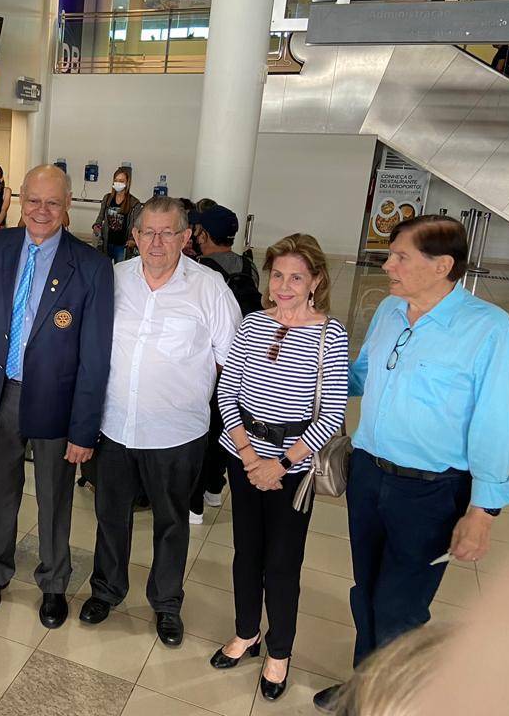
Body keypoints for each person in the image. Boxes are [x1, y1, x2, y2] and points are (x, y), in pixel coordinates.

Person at [314, 215, 509, 712]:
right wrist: (301, 362)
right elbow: (360, 375)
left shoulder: (487, 328)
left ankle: (392, 703)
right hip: (368, 476)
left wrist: (482, 511)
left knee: (400, 607)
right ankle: (364, 688)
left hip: (432, 492)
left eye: (400, 257)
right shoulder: (389, 309)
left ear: (442, 265)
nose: (387, 265)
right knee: (366, 592)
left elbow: (496, 422)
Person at [80, 196, 240, 647]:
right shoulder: (113, 279)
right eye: (147, 232)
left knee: (171, 522)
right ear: (134, 236)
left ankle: (166, 602)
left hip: (177, 433)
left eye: (167, 232)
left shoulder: (209, 288)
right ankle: (106, 590)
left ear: (185, 237)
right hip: (115, 426)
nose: (156, 242)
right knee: (111, 516)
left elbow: (232, 359)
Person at [0, 164, 114, 629]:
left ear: (68, 205)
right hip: (3, 392)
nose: (41, 210)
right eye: (33, 200)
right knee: (0, 489)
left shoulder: (91, 266)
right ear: (19, 199)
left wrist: (84, 428)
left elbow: (95, 355)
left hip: (57, 401)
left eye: (53, 202)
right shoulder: (1, 245)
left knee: (54, 497)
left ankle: (53, 582)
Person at [213, 233, 348, 702]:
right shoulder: (253, 323)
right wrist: (250, 457)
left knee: (283, 563)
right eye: (278, 276)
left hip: (295, 468)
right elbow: (227, 392)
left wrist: (281, 463)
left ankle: (279, 651)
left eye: (296, 277)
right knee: (246, 551)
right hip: (243, 457)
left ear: (316, 282)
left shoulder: (330, 334)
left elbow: (331, 414)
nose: (284, 286)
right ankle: (247, 631)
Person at [186, 202, 263, 524]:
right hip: (242, 363)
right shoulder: (248, 266)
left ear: (203, 234)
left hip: (211, 364)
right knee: (224, 425)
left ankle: (193, 505)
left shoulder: (201, 270)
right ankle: (215, 489)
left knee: (201, 432)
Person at [92, 166, 141, 263]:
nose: (118, 183)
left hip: (122, 245)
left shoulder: (134, 203)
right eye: (116, 180)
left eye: (121, 181)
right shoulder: (107, 198)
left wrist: (132, 240)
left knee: (121, 269)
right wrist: (96, 226)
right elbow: (100, 217)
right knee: (104, 268)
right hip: (106, 243)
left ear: (127, 183)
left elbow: (137, 225)